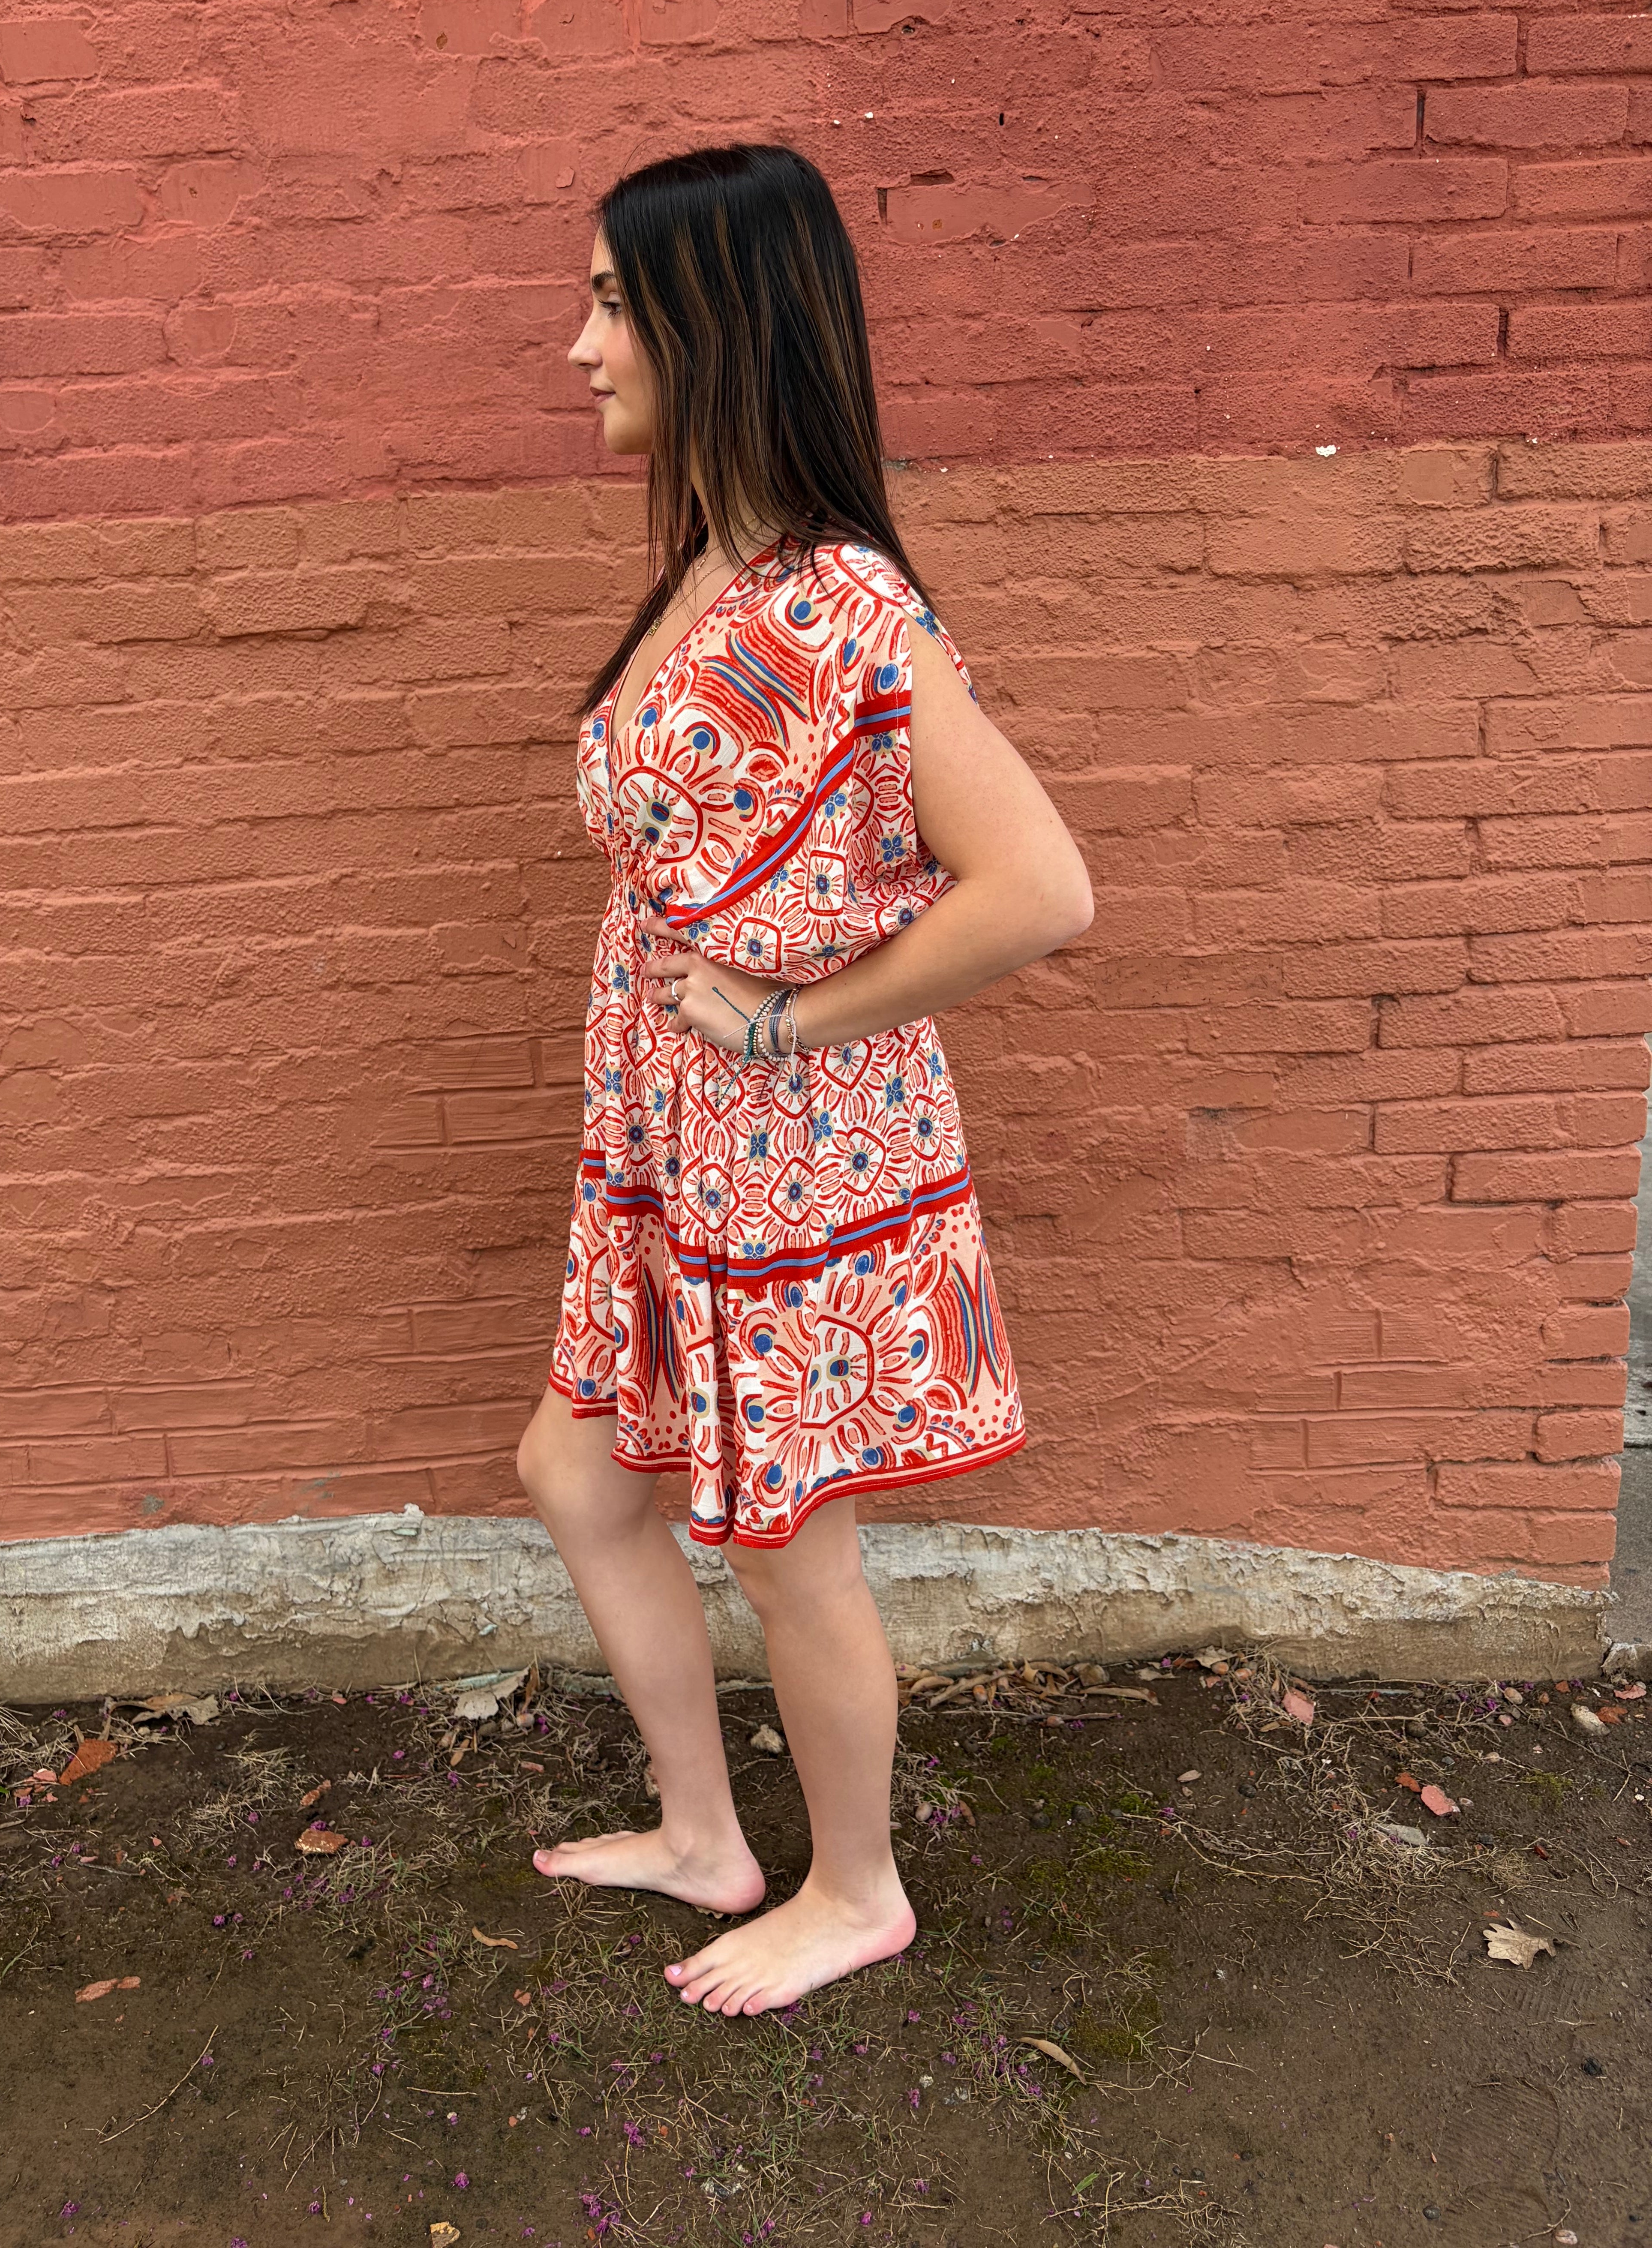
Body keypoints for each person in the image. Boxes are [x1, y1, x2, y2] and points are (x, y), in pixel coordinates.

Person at [516, 143, 1096, 2018]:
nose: (580, 346)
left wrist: (789, 1019)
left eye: (614, 303)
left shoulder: (844, 603)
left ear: (718, 321)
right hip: (660, 1131)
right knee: (579, 1471)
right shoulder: (710, 566)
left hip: (793, 1145)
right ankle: (707, 1835)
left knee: (787, 1544)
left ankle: (858, 1891)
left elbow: (1042, 889)